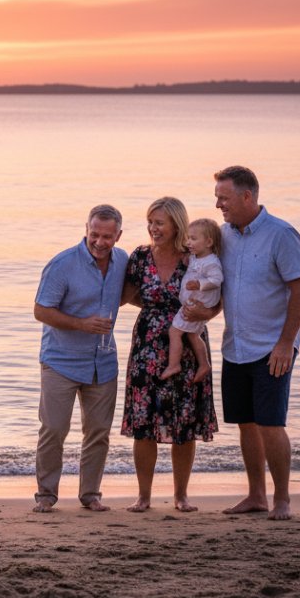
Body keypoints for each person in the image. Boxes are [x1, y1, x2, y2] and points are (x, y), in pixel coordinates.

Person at [210, 165, 300, 520]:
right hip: (235, 345)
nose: (218, 203)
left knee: (270, 423)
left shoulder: (281, 234)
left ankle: (282, 499)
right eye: (217, 197)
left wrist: (286, 343)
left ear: (246, 196)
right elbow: (219, 288)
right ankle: (256, 495)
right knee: (246, 423)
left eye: (224, 197)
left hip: (272, 347)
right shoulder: (223, 236)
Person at [121, 197, 219, 513]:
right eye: (150, 221)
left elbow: (217, 296)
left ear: (176, 223)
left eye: (159, 222)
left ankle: (181, 495)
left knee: (184, 421)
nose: (153, 228)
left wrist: (204, 312)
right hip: (147, 345)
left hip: (188, 342)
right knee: (143, 421)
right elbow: (123, 296)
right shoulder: (139, 256)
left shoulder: (194, 257)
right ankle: (144, 496)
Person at [32, 205, 128, 513]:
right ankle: (46, 495)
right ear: (86, 229)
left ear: (118, 235)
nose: (100, 242)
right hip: (60, 361)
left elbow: (129, 293)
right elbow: (41, 311)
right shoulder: (62, 265)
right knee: (54, 430)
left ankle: (90, 495)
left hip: (104, 361)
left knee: (98, 432)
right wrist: (82, 323)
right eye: (94, 234)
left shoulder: (123, 261)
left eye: (107, 236)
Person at [161, 218, 223, 383]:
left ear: (208, 242)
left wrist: (200, 284)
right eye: (188, 238)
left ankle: (174, 364)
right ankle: (204, 364)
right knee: (193, 335)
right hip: (192, 303)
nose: (188, 242)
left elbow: (217, 280)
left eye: (193, 239)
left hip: (196, 305)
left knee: (175, 332)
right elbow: (192, 262)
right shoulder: (197, 257)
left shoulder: (211, 263)